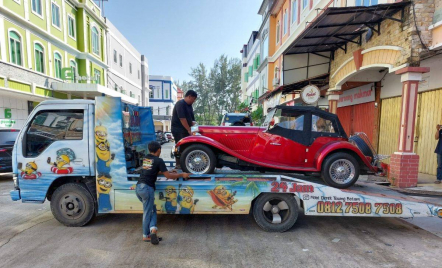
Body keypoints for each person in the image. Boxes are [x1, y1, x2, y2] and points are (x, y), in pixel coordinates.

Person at [135, 141, 191, 244]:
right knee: (148, 212)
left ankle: (153, 230)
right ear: (159, 150)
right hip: (147, 189)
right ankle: (146, 235)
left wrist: (169, 171)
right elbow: (168, 177)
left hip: (139, 188)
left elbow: (152, 171)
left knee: (151, 210)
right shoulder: (159, 160)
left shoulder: (147, 158)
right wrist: (181, 175)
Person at [171, 90, 198, 169]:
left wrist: (194, 128)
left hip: (186, 130)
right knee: (180, 146)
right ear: (189, 96)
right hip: (178, 129)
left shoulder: (189, 106)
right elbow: (182, 119)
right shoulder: (180, 104)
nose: (193, 101)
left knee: (187, 147)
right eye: (193, 99)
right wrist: (189, 129)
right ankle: (178, 164)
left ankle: (186, 163)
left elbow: (192, 120)